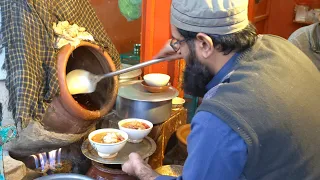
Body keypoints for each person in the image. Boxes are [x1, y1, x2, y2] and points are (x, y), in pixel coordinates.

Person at [122, 0, 320, 179]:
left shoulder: (220, 119)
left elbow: (223, 126)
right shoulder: (280, 45)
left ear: (205, 44)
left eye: (178, 41)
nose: (177, 50)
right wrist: (187, 48)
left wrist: (144, 172)